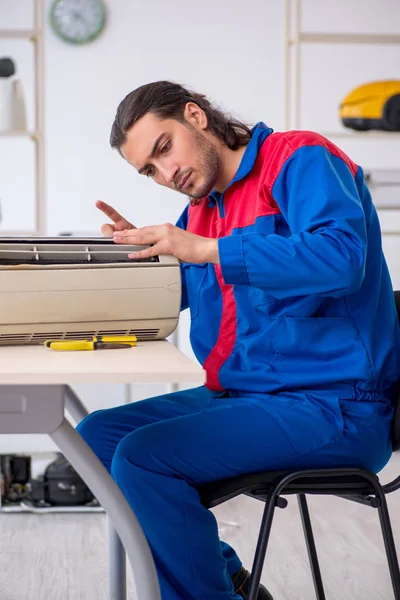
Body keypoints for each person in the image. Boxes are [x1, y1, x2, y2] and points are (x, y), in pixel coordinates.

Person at [77, 81, 400, 600]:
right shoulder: (204, 209)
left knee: (141, 457)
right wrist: (135, 260)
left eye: (164, 148)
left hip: (335, 406)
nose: (167, 174)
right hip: (246, 399)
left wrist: (205, 249)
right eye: (150, 171)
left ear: (195, 116)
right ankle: (227, 579)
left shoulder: (299, 159)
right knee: (96, 439)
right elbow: (176, 290)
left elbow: (341, 259)